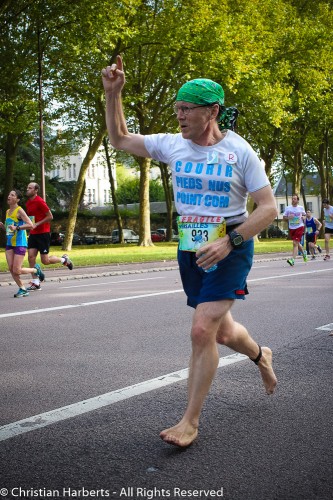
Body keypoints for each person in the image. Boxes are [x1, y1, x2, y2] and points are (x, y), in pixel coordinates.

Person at [101, 55, 278, 448]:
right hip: (191, 246)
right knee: (224, 331)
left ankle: (190, 422)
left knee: (202, 330)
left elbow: (268, 209)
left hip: (231, 245)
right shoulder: (172, 145)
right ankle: (260, 355)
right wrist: (113, 94)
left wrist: (230, 241)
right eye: (177, 108)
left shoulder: (240, 151)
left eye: (186, 109)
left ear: (211, 111)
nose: (179, 116)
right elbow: (119, 139)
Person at [25, 182, 74, 291]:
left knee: (45, 261)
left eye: (30, 188)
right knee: (31, 257)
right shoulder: (28, 203)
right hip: (33, 234)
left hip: (43, 233)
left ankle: (64, 259)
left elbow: (50, 216)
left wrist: (38, 224)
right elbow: (32, 218)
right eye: (27, 188)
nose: (27, 189)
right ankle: (36, 283)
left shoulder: (40, 201)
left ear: (36, 190)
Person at [0, 189, 45, 297]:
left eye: (12, 195)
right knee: (11, 269)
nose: (9, 196)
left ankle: (36, 270)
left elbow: (30, 224)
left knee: (17, 270)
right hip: (10, 243)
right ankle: (22, 289)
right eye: (9, 194)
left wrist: (18, 227)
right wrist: (3, 227)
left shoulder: (19, 211)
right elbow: (10, 229)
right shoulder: (7, 212)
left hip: (20, 243)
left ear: (17, 199)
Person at [283, 194, 307, 266]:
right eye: (292, 199)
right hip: (292, 227)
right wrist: (288, 217)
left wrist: (303, 217)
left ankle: (292, 260)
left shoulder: (301, 208)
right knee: (297, 243)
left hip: (299, 226)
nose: (293, 200)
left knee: (294, 243)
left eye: (295, 199)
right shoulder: (288, 208)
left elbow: (305, 215)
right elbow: (284, 218)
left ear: (297, 200)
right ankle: (304, 253)